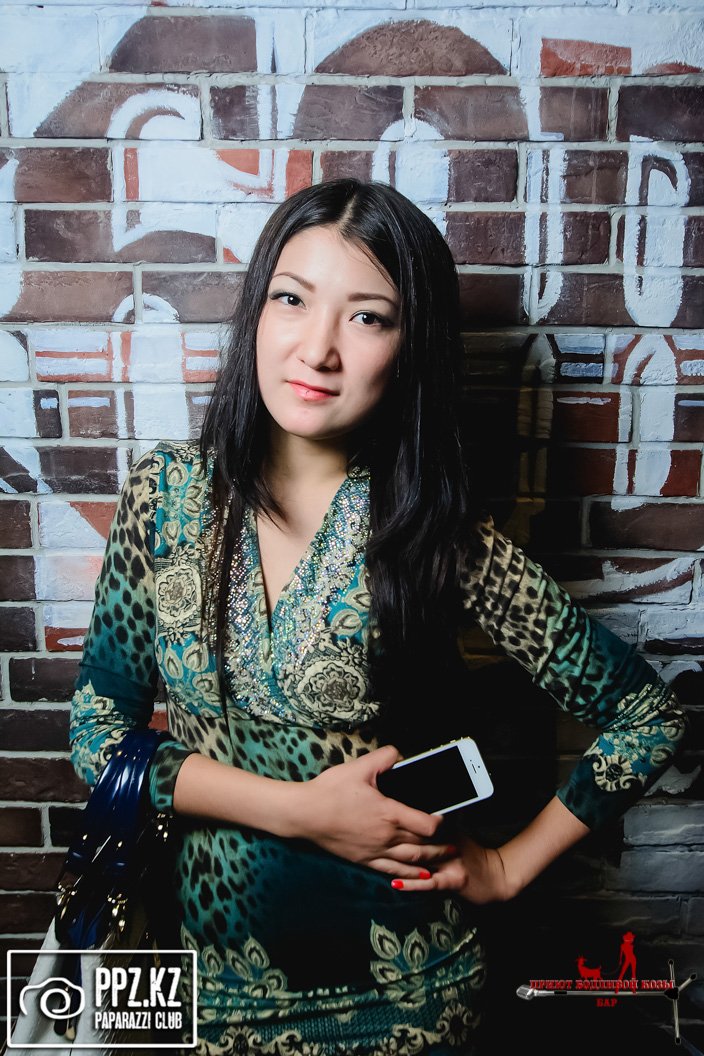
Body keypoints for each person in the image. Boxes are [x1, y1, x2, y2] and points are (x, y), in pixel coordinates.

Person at [69, 179, 686, 1056]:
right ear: (257, 312)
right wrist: (299, 810)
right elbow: (98, 734)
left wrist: (505, 867)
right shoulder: (165, 496)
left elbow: (648, 715)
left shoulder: (434, 535)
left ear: (410, 346)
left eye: (367, 317)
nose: (317, 349)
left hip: (408, 1000)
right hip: (203, 989)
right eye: (292, 300)